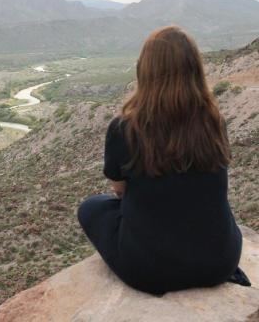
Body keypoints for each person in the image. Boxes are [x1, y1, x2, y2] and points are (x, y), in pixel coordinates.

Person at [77, 26, 250, 295]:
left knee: (91, 207)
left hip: (150, 270)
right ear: (195, 70)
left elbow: (120, 190)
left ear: (145, 71)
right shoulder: (213, 122)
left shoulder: (125, 128)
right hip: (218, 262)